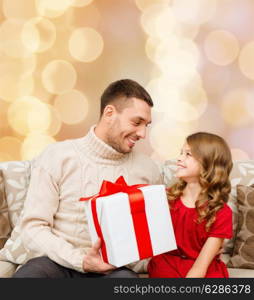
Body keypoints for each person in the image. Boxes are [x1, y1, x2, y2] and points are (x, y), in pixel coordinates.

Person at [13, 79, 162, 278]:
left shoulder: (148, 169)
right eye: (136, 122)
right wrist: (80, 260)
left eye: (147, 125)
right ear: (109, 113)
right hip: (58, 263)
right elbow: (33, 227)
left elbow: (153, 240)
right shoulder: (58, 156)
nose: (143, 133)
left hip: (114, 269)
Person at [148, 132, 233, 278]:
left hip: (203, 267)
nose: (179, 158)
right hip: (168, 264)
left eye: (188, 154)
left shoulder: (222, 212)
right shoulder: (164, 199)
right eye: (181, 153)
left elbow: (200, 268)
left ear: (208, 164)